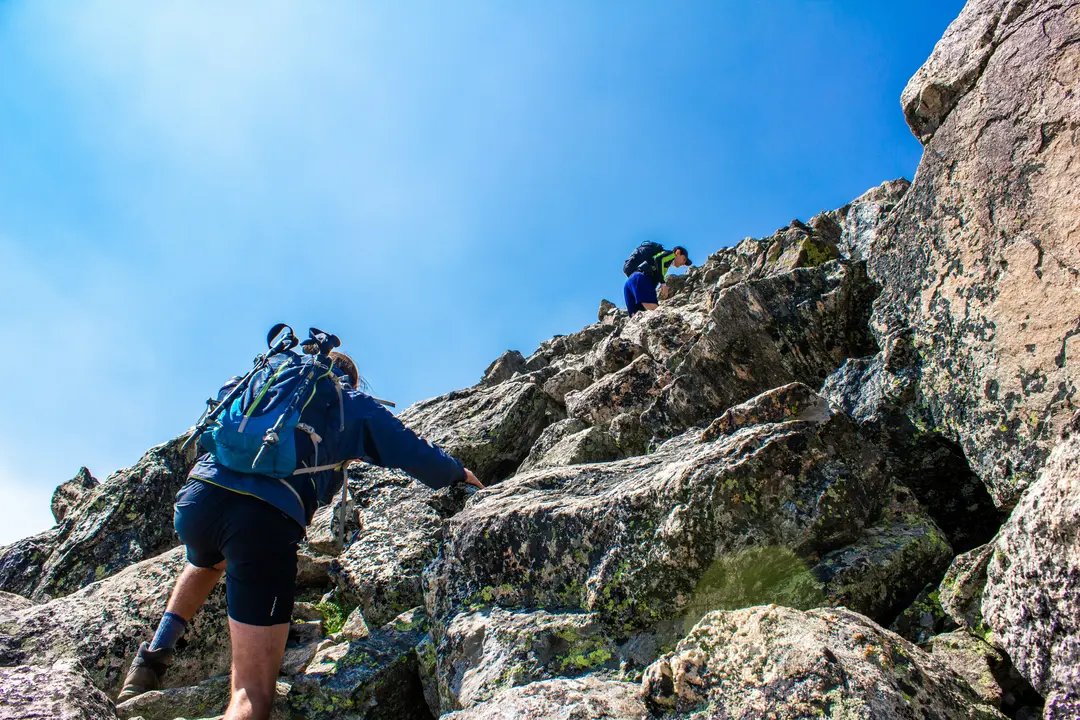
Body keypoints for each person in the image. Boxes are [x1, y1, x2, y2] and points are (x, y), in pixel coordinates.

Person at [117, 349, 482, 719]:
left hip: (198, 499)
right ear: (349, 382)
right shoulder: (349, 403)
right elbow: (411, 449)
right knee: (253, 692)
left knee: (207, 561)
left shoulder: (264, 379)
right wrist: (456, 473)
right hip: (262, 521)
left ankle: (150, 661)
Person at [623, 245, 692, 316]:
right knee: (655, 313)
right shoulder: (671, 255)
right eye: (684, 259)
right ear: (678, 252)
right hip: (640, 278)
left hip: (629, 283)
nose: (684, 263)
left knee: (636, 316)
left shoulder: (663, 266)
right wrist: (663, 283)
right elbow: (658, 259)